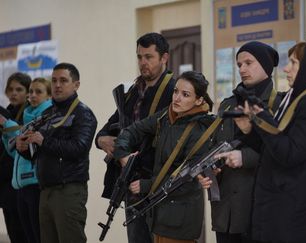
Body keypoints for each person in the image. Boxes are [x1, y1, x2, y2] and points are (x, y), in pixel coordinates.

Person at [232, 40, 306, 242]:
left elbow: (289, 154)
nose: (286, 68)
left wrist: (264, 117)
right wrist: (250, 131)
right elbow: (274, 148)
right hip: (280, 200)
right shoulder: (298, 100)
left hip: (296, 203)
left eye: (293, 63)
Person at [113, 71, 214, 243]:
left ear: (199, 100)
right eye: (176, 92)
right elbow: (134, 130)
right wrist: (122, 153)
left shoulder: (201, 130)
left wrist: (147, 185)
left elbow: (188, 177)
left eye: (185, 94)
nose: (177, 98)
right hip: (159, 213)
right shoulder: (166, 116)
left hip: (180, 217)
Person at [198, 41, 282, 243]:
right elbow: (215, 145)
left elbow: (282, 153)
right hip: (226, 209)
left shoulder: (277, 104)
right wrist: (208, 170)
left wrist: (245, 157)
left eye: (248, 62)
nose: (242, 69)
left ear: (265, 65)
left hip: (259, 207)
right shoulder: (228, 103)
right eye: (239, 65)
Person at [95, 32, 175, 243]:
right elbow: (108, 128)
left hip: (159, 181)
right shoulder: (133, 92)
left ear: (164, 58)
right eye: (140, 57)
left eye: (149, 57)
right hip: (131, 181)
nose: (143, 62)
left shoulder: (174, 90)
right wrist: (102, 140)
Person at [15, 63, 97, 243]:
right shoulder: (48, 114)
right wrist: (23, 149)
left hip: (68, 189)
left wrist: (44, 140)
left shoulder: (83, 113)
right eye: (54, 80)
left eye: (63, 80)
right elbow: (39, 153)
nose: (57, 85)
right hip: (45, 189)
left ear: (76, 85)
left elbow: (79, 148)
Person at [1, 78, 52, 243]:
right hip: (20, 184)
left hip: (35, 184)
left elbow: (30, 147)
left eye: (38, 92)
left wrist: (6, 124)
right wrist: (9, 137)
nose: (33, 95)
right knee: (24, 236)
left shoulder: (47, 116)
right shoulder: (28, 115)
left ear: (49, 96)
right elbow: (17, 152)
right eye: (31, 91)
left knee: (37, 236)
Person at [0, 72, 30, 243]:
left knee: (24, 233)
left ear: (28, 92)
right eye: (10, 89)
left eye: (19, 89)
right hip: (6, 184)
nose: (14, 93)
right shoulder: (7, 113)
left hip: (21, 182)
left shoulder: (30, 114)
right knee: (13, 232)